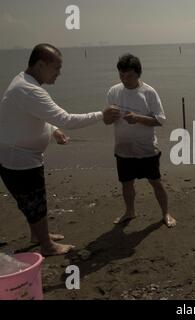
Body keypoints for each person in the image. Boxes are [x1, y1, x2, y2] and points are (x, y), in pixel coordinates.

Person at [0, 43, 120, 256]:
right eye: (56, 68)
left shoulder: (24, 82)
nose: (59, 73)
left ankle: (38, 235)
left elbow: (35, 115)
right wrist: (101, 115)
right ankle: (47, 246)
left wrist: (53, 130)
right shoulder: (29, 90)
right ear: (40, 65)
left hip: (19, 155)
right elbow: (66, 119)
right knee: (35, 203)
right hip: (19, 159)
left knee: (34, 201)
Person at [107, 54, 176, 228]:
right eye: (121, 75)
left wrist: (138, 118)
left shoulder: (148, 92)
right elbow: (107, 121)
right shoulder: (113, 91)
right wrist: (108, 116)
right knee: (126, 184)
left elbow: (160, 120)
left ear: (138, 74)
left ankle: (165, 213)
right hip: (123, 148)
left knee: (156, 182)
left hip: (146, 148)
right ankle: (130, 211)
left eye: (129, 75)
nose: (125, 79)